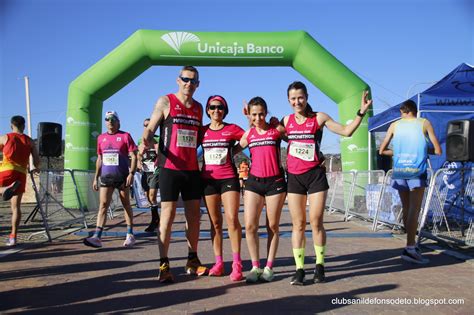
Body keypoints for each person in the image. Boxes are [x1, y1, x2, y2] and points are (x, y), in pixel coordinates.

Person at [277, 81, 372, 285]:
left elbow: (346, 131)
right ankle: (299, 269)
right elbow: (278, 136)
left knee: (316, 222)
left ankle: (320, 265)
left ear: (307, 97)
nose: (297, 101)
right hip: (294, 177)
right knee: (298, 224)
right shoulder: (286, 120)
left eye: (300, 97)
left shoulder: (319, 117)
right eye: (293, 98)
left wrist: (360, 112)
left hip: (315, 177)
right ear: (288, 100)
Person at [142, 66, 207, 283]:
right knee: (167, 217)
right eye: (186, 79)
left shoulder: (198, 108)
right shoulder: (166, 101)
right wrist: (147, 138)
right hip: (170, 169)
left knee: (194, 217)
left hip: (191, 170)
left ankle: (192, 260)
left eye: (194, 81)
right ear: (178, 80)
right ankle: (164, 264)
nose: (189, 83)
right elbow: (151, 127)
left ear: (198, 84)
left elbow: (203, 135)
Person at [379, 99, 441, 264]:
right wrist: (422, 149)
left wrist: (399, 152)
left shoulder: (394, 125)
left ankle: (410, 245)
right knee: (415, 208)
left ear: (403, 112)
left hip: (399, 171)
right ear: (415, 111)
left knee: (407, 208)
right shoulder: (424, 123)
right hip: (416, 171)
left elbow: (382, 150)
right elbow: (438, 149)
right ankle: (410, 248)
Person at [240, 96, 287, 283]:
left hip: (275, 182)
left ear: (266, 113)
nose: (258, 118)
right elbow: (232, 149)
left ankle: (269, 266)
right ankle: (255, 266)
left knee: (272, 226)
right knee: (250, 226)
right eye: (254, 115)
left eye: (261, 114)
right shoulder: (249, 134)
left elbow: (295, 137)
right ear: (249, 115)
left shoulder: (276, 131)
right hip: (254, 183)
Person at [200, 95, 245, 281]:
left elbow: (250, 138)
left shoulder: (231, 128)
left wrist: (234, 151)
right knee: (215, 223)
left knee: (232, 219)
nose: (216, 110)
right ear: (208, 110)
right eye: (213, 107)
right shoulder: (202, 131)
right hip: (208, 181)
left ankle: (237, 264)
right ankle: (218, 263)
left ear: (224, 110)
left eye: (220, 107)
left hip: (228, 178)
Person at [83, 110, 138, 248]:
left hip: (122, 176)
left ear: (118, 122)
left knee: (126, 204)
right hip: (106, 177)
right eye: (107, 119)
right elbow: (100, 158)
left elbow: (134, 156)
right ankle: (97, 236)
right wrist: (96, 177)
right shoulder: (101, 138)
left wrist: (131, 173)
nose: (110, 122)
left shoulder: (125, 136)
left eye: (113, 119)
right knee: (103, 205)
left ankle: (130, 234)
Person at [0, 115, 40, 246]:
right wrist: (35, 168)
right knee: (16, 207)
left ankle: (4, 189)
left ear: (11, 125)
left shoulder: (5, 137)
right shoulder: (29, 141)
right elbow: (37, 161)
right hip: (21, 173)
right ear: (24, 126)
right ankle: (13, 237)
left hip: (7, 170)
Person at [138, 118, 160, 232]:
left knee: (152, 196)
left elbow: (162, 154)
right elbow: (138, 156)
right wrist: (139, 159)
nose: (147, 127)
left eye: (149, 125)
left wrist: (157, 151)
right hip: (145, 172)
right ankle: (156, 219)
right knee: (149, 198)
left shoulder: (158, 139)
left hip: (155, 171)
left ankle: (155, 221)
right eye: (145, 125)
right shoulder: (140, 140)